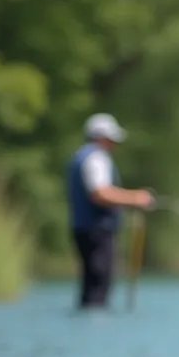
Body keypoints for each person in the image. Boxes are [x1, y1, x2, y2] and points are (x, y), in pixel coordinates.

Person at [67, 113, 155, 308]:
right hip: (97, 231)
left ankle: (91, 316)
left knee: (92, 282)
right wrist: (136, 198)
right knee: (99, 283)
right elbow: (100, 194)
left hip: (84, 228)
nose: (114, 144)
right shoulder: (96, 158)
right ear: (100, 137)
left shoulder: (80, 156)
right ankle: (95, 321)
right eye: (111, 139)